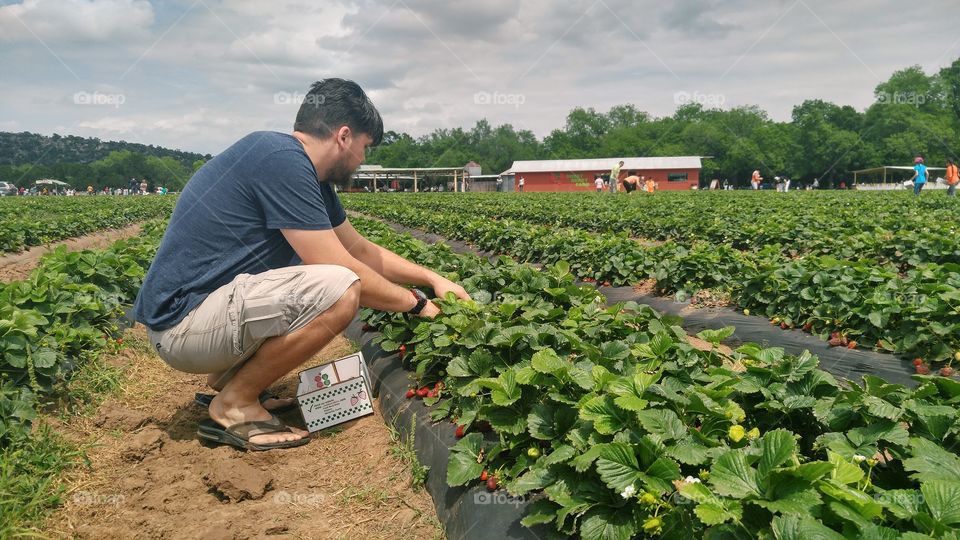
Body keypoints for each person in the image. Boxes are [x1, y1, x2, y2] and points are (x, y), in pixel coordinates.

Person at [133, 78, 470, 451]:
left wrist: (432, 278)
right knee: (341, 288)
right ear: (344, 136)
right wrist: (419, 305)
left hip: (203, 322)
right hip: (182, 329)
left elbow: (358, 248)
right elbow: (345, 267)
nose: (362, 160)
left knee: (338, 278)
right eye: (364, 148)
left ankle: (232, 382)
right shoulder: (278, 157)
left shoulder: (308, 174)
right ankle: (235, 404)